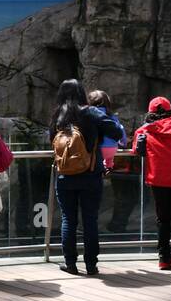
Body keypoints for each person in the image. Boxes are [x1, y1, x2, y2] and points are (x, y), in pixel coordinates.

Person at [49, 80, 124, 276]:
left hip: (65, 175)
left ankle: (70, 264)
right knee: (90, 219)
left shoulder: (58, 115)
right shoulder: (91, 112)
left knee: (68, 220)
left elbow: (51, 141)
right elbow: (115, 132)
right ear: (82, 93)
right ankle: (91, 265)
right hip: (91, 174)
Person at [134, 96, 171, 273]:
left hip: (157, 178)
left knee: (163, 218)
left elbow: (137, 150)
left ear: (150, 112)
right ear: (170, 111)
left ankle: (163, 258)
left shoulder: (144, 130)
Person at [86, 89, 128, 170]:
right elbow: (121, 129)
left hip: (97, 150)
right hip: (112, 149)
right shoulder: (112, 116)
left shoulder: (90, 115)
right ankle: (109, 165)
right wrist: (123, 143)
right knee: (108, 159)